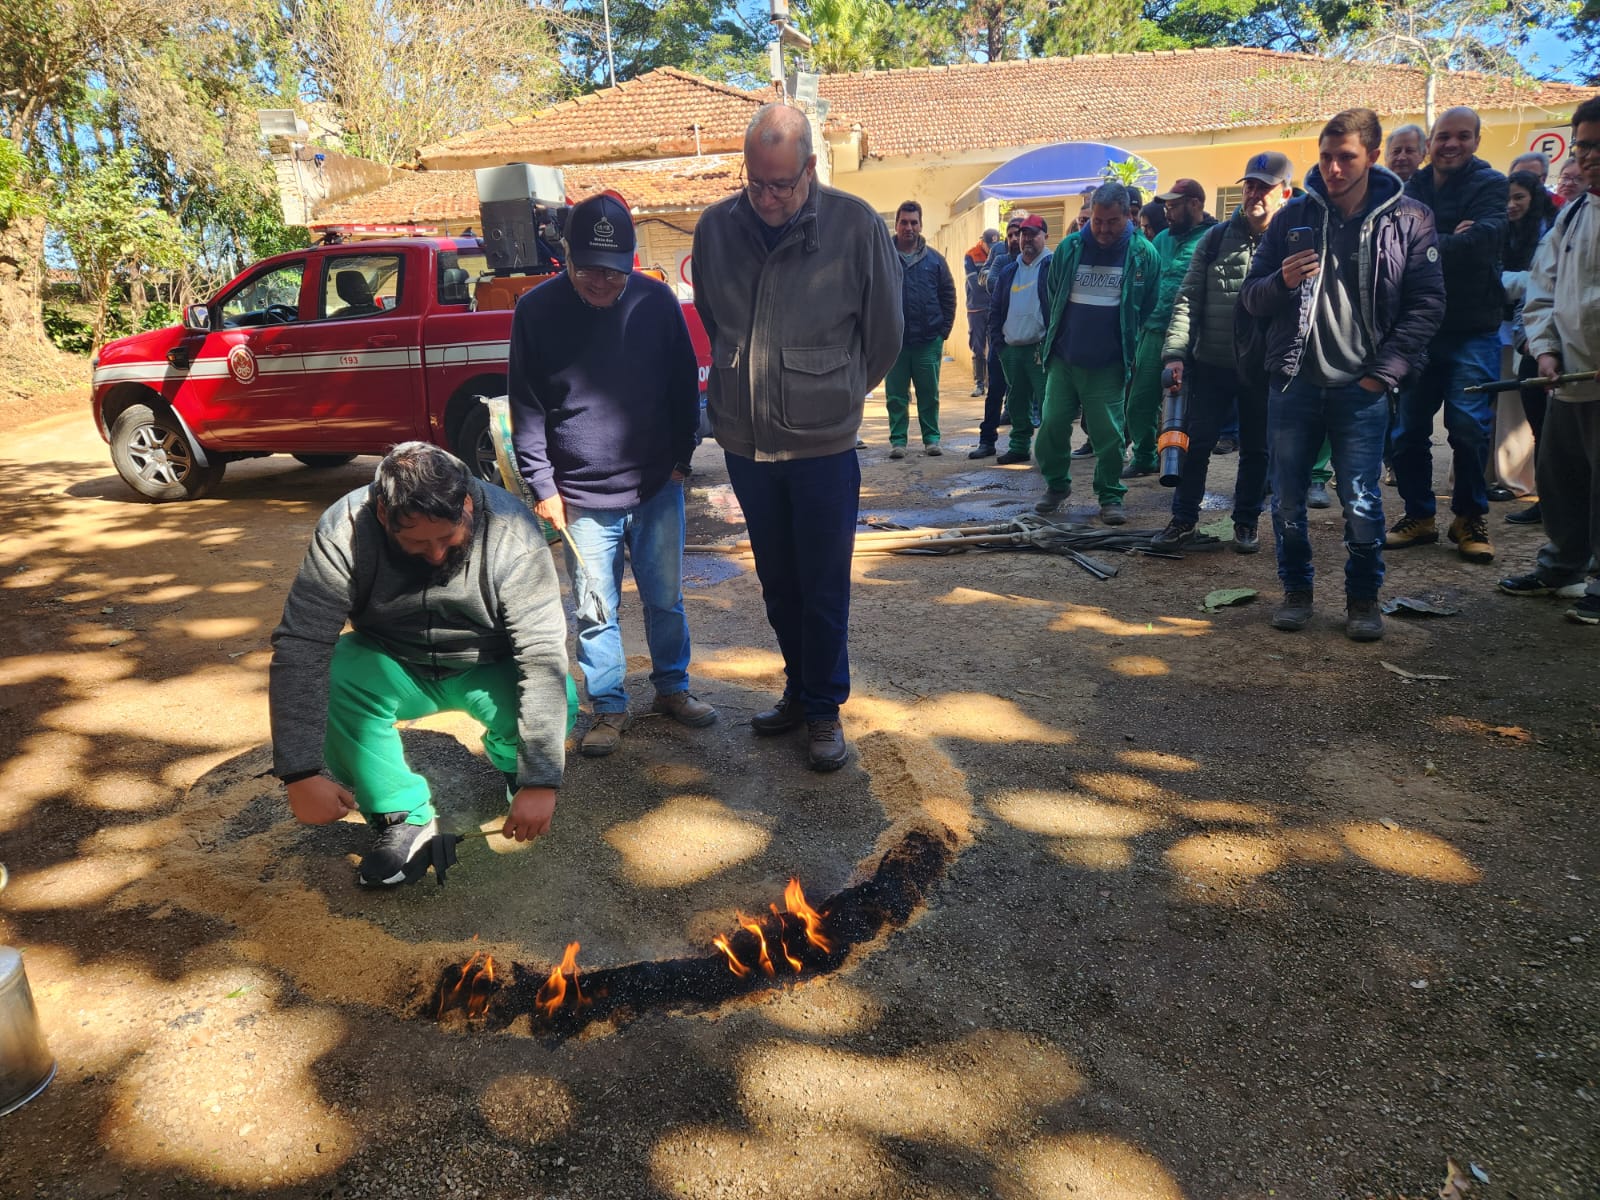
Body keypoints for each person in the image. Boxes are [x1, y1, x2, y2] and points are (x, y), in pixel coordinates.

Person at [690, 103, 901, 771]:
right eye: (756, 183)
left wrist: (829, 394)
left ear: (810, 168)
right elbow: (715, 316)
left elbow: (885, 335)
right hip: (747, 444)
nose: (768, 198)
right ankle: (797, 687)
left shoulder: (855, 225)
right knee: (779, 582)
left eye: (782, 184)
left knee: (823, 586)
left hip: (822, 447)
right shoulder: (717, 227)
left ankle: (823, 709)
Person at [269, 443, 577, 887]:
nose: (434, 555)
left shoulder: (513, 529)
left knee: (559, 691)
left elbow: (542, 652)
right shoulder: (345, 527)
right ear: (381, 516)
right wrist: (299, 773)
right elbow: (302, 643)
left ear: (467, 504)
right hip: (394, 661)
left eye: (446, 538)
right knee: (336, 670)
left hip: (486, 661)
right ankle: (401, 814)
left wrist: (541, 780)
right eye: (416, 542)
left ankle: (514, 763)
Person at [508, 192, 712, 759]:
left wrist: (680, 458)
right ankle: (609, 706)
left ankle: (673, 688)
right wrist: (542, 487)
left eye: (615, 273)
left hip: (654, 486)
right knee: (595, 610)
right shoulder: (536, 312)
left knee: (666, 600)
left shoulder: (655, 302)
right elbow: (525, 408)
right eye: (590, 271)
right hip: (579, 494)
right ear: (565, 258)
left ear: (632, 261)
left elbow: (681, 386)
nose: (603, 283)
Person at [1241, 107, 1445, 642]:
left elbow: (1426, 305)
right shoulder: (1292, 218)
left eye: (1346, 157)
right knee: (1286, 499)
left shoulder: (1410, 219)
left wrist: (1384, 374)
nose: (1333, 168)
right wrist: (1281, 282)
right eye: (1326, 157)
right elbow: (1253, 298)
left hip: (1363, 388)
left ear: (1372, 157)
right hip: (1294, 382)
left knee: (1360, 500)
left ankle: (1362, 599)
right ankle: (1296, 592)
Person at [1154, 151, 1294, 554]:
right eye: (1249, 185)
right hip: (1212, 362)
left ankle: (1246, 522)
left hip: (1264, 369)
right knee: (1195, 445)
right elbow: (1188, 299)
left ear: (1284, 192)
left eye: (1264, 187)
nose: (1254, 194)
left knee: (1257, 450)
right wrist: (1176, 353)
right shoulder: (1215, 239)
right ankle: (1183, 520)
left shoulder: (1293, 239)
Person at [1387, 106, 1509, 565]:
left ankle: (1469, 517)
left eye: (1463, 136)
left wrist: (1427, 242)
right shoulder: (1410, 186)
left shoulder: (1491, 184)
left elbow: (1483, 243)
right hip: (1419, 329)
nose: (1451, 144)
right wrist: (1447, 239)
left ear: (1476, 140)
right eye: (1443, 136)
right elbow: (1393, 244)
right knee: (1408, 432)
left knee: (1468, 428)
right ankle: (1419, 515)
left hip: (1472, 328)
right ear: (1431, 141)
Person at [1497, 98, 1600, 625]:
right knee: (1562, 478)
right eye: (1583, 144)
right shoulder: (1575, 215)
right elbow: (1542, 292)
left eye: (1597, 144)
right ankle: (1562, 566)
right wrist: (1544, 349)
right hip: (1568, 376)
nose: (1589, 155)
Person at [1032, 182, 1160, 523]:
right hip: (1064, 359)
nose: (1103, 229)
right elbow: (1053, 292)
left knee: (1108, 435)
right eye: (1097, 221)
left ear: (1127, 216)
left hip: (1108, 365)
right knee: (1052, 427)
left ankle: (1110, 495)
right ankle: (1057, 484)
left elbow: (1147, 304)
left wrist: (1125, 346)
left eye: (1112, 222)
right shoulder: (1071, 247)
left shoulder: (1144, 254)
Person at [1124, 179, 1217, 480]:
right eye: (1166, 206)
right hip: (1153, 331)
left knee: (1191, 406)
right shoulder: (1161, 238)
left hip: (1198, 334)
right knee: (1140, 401)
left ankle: (1185, 463)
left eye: (1174, 206)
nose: (1168, 212)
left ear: (1195, 203)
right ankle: (1144, 456)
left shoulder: (1214, 238)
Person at [1491, 171, 1560, 515]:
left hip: (1538, 337)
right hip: (1512, 332)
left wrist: (1501, 282)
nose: (1511, 205)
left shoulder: (1549, 230)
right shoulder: (1504, 230)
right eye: (1506, 198)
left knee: (1534, 422)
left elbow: (1539, 288)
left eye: (1519, 197)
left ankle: (1536, 492)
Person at [885, 200, 957, 458]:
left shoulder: (935, 261)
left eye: (914, 222)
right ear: (896, 224)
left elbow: (948, 294)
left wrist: (943, 332)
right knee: (896, 396)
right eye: (904, 222)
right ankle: (898, 442)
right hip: (894, 343)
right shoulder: (883, 257)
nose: (909, 227)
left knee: (929, 393)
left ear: (921, 225)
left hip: (928, 341)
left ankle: (931, 439)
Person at [988, 214, 1053, 466]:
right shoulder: (1008, 270)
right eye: (1024, 234)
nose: (1026, 239)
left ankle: (1049, 451)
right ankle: (1019, 446)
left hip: (1040, 349)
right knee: (1016, 402)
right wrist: (999, 344)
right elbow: (995, 309)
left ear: (1044, 237)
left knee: (1049, 403)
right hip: (1012, 350)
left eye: (1033, 234)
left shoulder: (1052, 265)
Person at [969, 214, 1026, 459]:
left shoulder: (1041, 261)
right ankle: (987, 440)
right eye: (1011, 234)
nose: (1015, 239)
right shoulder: (1001, 257)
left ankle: (1022, 446)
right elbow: (991, 283)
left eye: (1019, 234)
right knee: (995, 391)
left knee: (1027, 393)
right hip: (1001, 337)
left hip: (1029, 338)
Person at [964, 228, 1000, 396]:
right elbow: (975, 285)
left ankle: (993, 382)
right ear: (982, 242)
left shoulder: (1000, 252)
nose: (992, 249)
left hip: (993, 307)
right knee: (978, 347)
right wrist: (993, 285)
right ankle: (979, 383)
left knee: (995, 346)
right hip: (976, 308)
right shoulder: (971, 255)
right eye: (989, 245)